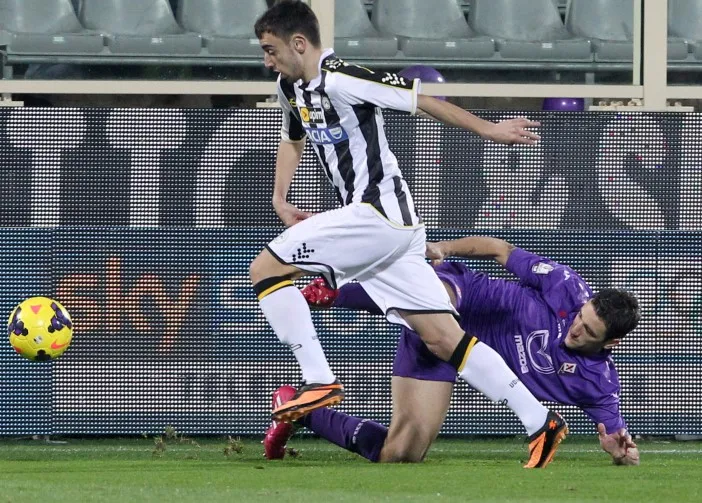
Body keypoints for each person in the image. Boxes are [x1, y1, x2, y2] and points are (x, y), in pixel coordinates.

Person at [250, 1, 566, 467]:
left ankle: (318, 379)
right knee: (444, 338)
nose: (267, 60)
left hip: (378, 215)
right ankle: (540, 421)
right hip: (392, 236)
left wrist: (490, 130)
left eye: (270, 49)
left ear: (299, 43)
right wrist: (280, 198)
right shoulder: (289, 86)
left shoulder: (343, 78)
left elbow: (424, 101)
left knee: (266, 269)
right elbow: (293, 138)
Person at [264, 236, 642, 466]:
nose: (576, 327)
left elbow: (615, 435)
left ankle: (300, 410)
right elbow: (499, 249)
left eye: (588, 331)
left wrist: (619, 451)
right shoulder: (567, 286)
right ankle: (337, 291)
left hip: (450, 355)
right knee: (437, 303)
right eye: (580, 317)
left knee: (400, 454)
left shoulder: (599, 384)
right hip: (463, 294)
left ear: (611, 343)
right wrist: (442, 249)